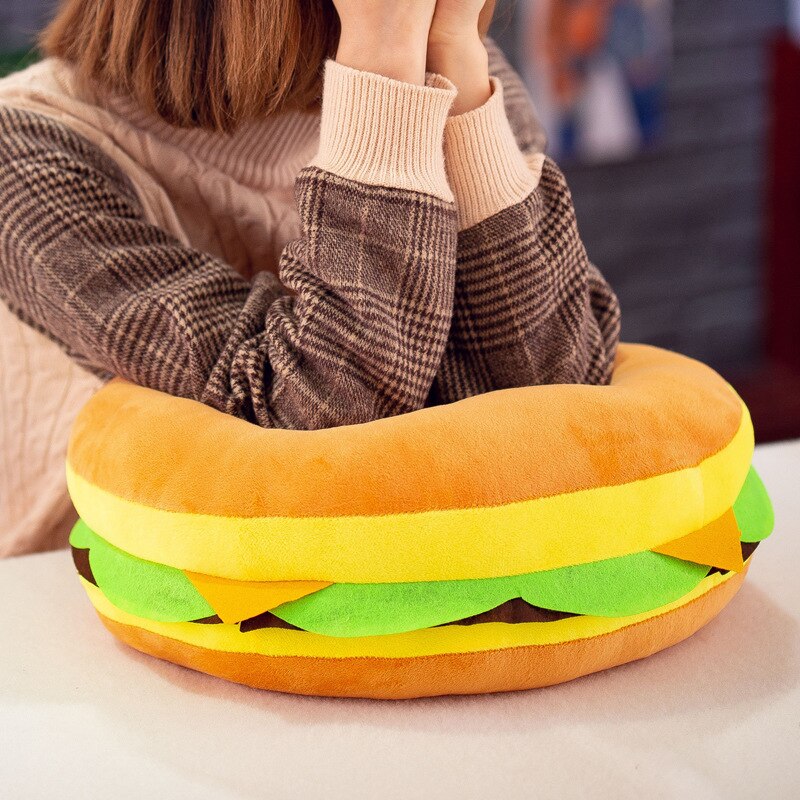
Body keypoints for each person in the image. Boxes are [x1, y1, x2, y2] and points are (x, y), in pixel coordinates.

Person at [0, 0, 620, 556]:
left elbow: (559, 395)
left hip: (410, 596)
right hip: (92, 611)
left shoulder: (456, 66)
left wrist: (451, 50)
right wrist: (380, 48)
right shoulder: (25, 153)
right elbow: (312, 437)